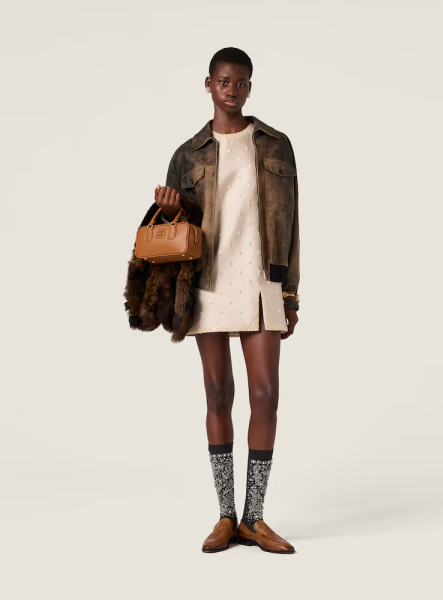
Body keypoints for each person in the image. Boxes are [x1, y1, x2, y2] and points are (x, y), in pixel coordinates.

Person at [154, 47, 300, 554]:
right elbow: (174, 233)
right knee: (218, 394)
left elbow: (292, 225)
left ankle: (254, 518)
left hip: (262, 282)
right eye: (223, 81)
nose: (231, 90)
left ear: (249, 87)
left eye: (240, 83)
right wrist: (167, 210)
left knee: (266, 395)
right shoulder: (187, 154)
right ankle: (225, 514)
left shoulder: (277, 146)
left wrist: (290, 293)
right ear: (209, 84)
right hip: (208, 285)